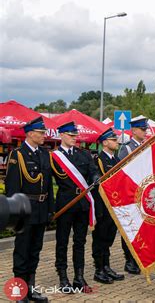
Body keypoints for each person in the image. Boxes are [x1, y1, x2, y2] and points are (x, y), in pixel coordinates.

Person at [5, 117, 53, 302]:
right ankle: (20, 292)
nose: (43, 136)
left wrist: (50, 210)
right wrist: (16, 213)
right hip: (25, 210)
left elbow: (48, 185)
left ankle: (31, 288)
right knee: (22, 252)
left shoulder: (44, 154)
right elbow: (12, 188)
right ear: (30, 133)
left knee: (35, 251)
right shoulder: (17, 155)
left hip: (41, 210)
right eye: (40, 133)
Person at [51, 121, 100, 293]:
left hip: (82, 204)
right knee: (62, 241)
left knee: (80, 241)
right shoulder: (54, 157)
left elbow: (93, 170)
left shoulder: (84, 155)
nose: (74, 138)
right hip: (65, 203)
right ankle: (63, 277)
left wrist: (95, 177)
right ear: (62, 135)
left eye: (75, 135)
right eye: (70, 136)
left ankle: (79, 276)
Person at [91, 128, 125, 284]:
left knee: (109, 237)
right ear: (105, 142)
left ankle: (107, 266)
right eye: (113, 139)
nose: (116, 141)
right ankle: (99, 269)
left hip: (114, 205)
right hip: (102, 206)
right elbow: (95, 186)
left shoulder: (117, 159)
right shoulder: (97, 160)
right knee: (100, 237)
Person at [117, 116, 148, 275]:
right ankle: (129, 260)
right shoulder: (126, 148)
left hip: (142, 193)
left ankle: (137, 257)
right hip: (129, 195)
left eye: (145, 129)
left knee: (141, 228)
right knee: (130, 227)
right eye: (142, 130)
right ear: (134, 130)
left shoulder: (144, 146)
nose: (145, 132)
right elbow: (122, 173)